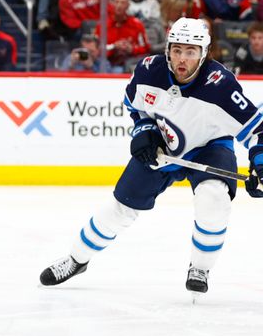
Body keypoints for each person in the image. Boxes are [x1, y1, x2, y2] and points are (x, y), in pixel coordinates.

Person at [39, 18, 263, 297]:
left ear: (204, 54)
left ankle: (200, 267)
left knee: (213, 199)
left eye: (191, 52)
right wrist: (144, 131)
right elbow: (135, 106)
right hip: (163, 145)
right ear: (168, 49)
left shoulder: (222, 86)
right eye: (177, 50)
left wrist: (260, 163)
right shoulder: (148, 71)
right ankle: (76, 259)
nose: (182, 59)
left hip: (210, 146)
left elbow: (257, 129)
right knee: (120, 208)